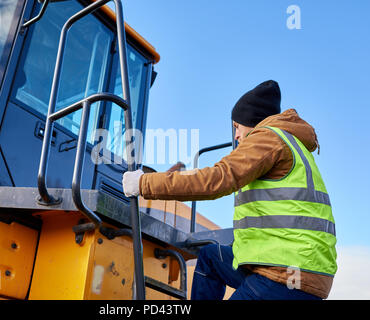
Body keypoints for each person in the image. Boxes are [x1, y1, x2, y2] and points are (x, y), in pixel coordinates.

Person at [122, 80, 337, 300]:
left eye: (237, 127)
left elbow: (217, 178)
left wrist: (143, 183)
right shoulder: (290, 144)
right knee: (210, 258)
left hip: (285, 275)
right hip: (296, 269)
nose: (236, 136)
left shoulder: (268, 138)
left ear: (253, 122)